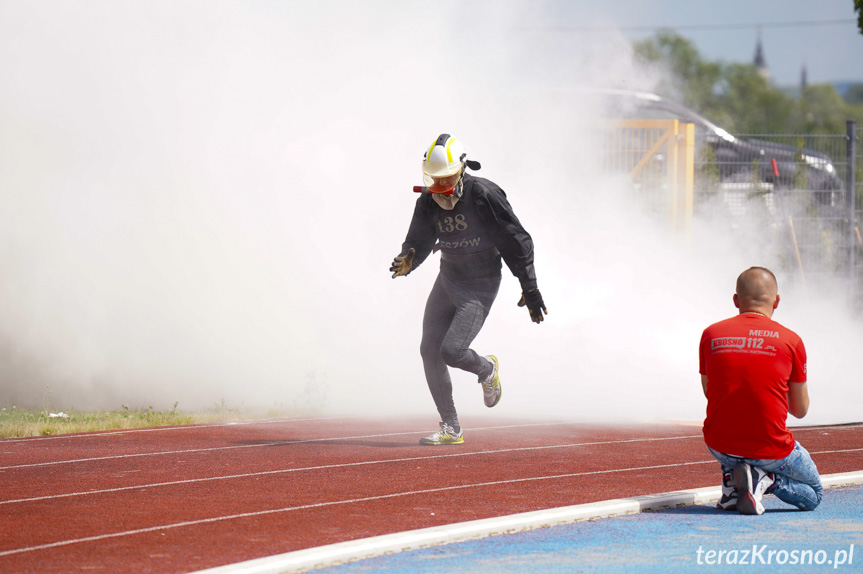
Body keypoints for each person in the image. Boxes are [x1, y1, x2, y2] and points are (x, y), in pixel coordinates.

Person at [390, 134, 546, 446]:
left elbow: (517, 241)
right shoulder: (427, 201)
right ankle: (451, 427)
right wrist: (409, 257)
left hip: (481, 282)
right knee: (428, 350)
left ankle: (487, 369)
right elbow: (417, 241)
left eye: (446, 178)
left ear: (462, 169)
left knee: (452, 351)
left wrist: (529, 287)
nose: (440, 188)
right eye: (434, 180)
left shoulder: (484, 194)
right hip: (448, 277)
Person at [699, 266, 822, 515]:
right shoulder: (791, 340)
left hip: (719, 444)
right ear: (777, 301)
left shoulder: (710, 335)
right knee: (814, 494)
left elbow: (711, 391)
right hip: (770, 448)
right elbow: (800, 410)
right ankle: (766, 480)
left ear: (736, 300)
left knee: (732, 419)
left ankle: (732, 486)